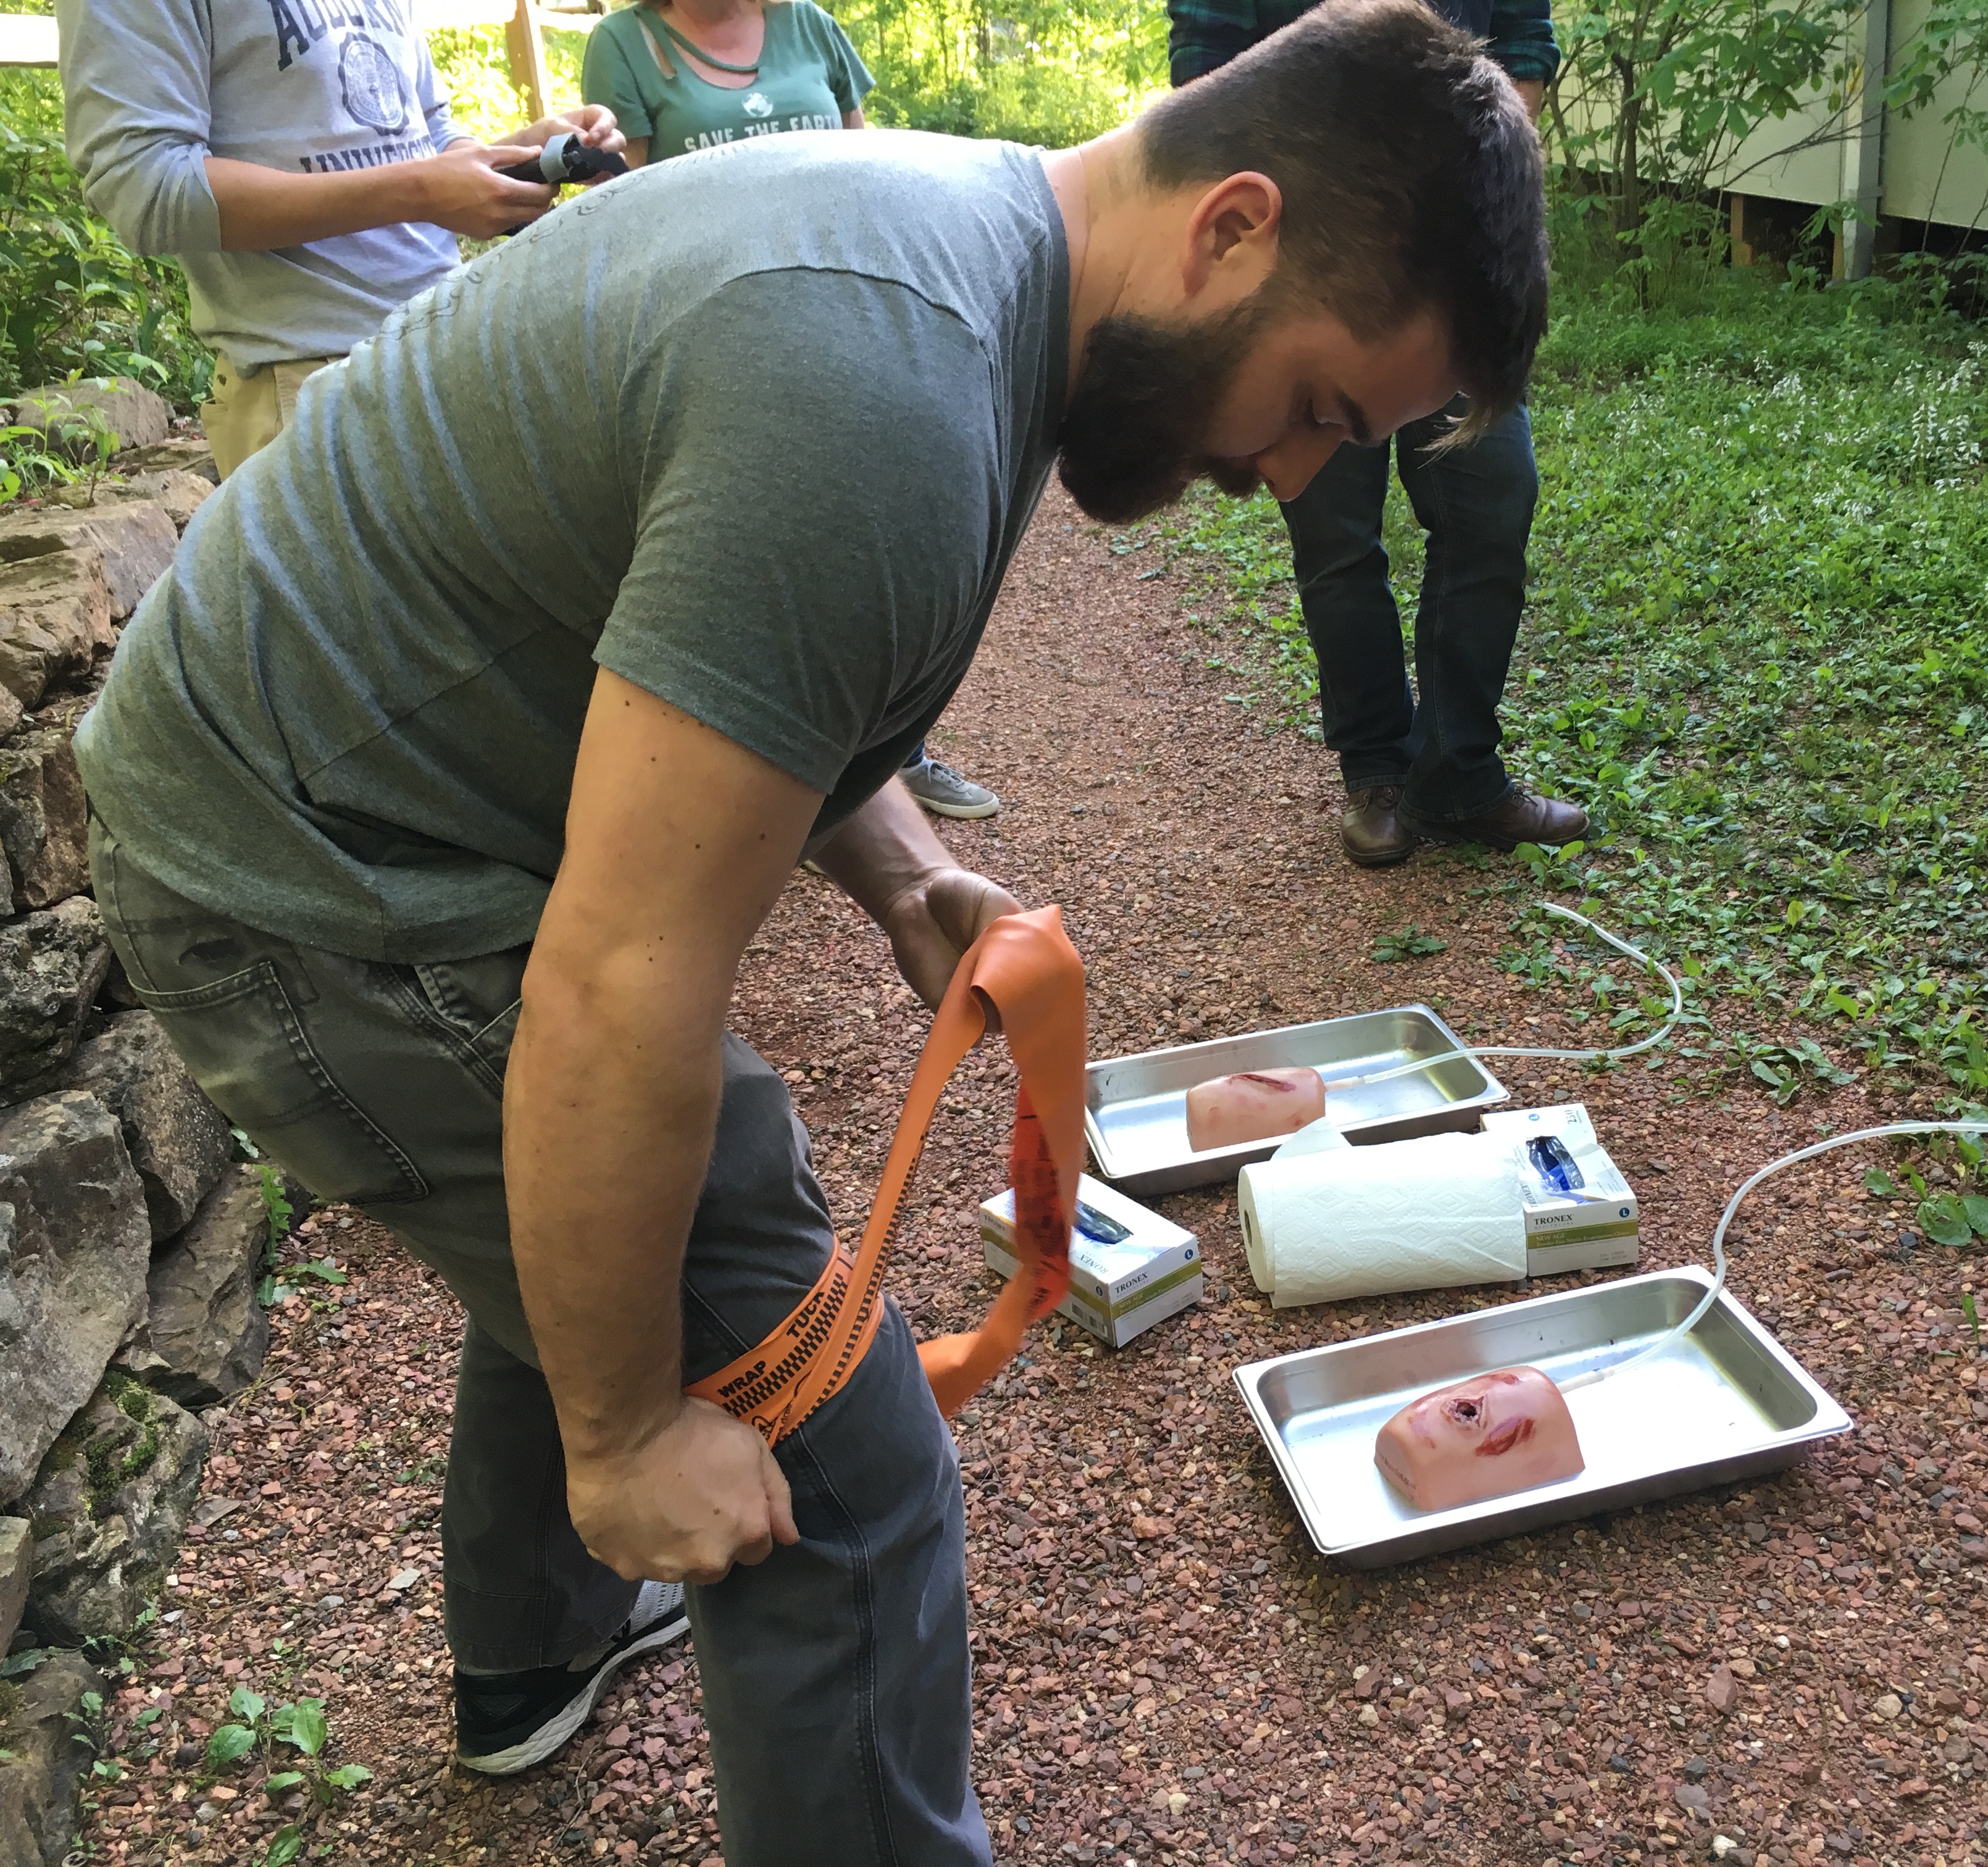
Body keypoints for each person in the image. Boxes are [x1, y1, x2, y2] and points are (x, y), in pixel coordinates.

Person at [73, 1, 1547, 1854]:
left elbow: (724, 656)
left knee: (626, 1233)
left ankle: (533, 1662)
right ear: (1232, 228)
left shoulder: (958, 246)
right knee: (833, 1458)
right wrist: (626, 1441)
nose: (1301, 476)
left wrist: (912, 875)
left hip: (314, 792)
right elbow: (620, 983)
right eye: (1325, 408)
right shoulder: (884, 389)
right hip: (311, 885)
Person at [1169, 0, 1579, 867]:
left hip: (1453, 266)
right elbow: (1204, 56)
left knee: (1493, 501)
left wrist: (1460, 209)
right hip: (1303, 272)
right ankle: (1376, 774)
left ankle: (1460, 773)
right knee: (1337, 541)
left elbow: (1524, 49)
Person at [583, 0, 1004, 824]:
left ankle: (894, 760)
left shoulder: (809, 25)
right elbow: (626, 216)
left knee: (875, 546)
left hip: (849, 319)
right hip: (717, 340)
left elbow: (867, 166)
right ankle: (742, 790)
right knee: (741, 560)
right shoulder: (622, 43)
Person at [56, 0, 622, 479]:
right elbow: (146, 187)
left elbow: (422, 132)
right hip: (313, 387)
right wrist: (422, 191)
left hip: (450, 344)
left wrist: (521, 157)